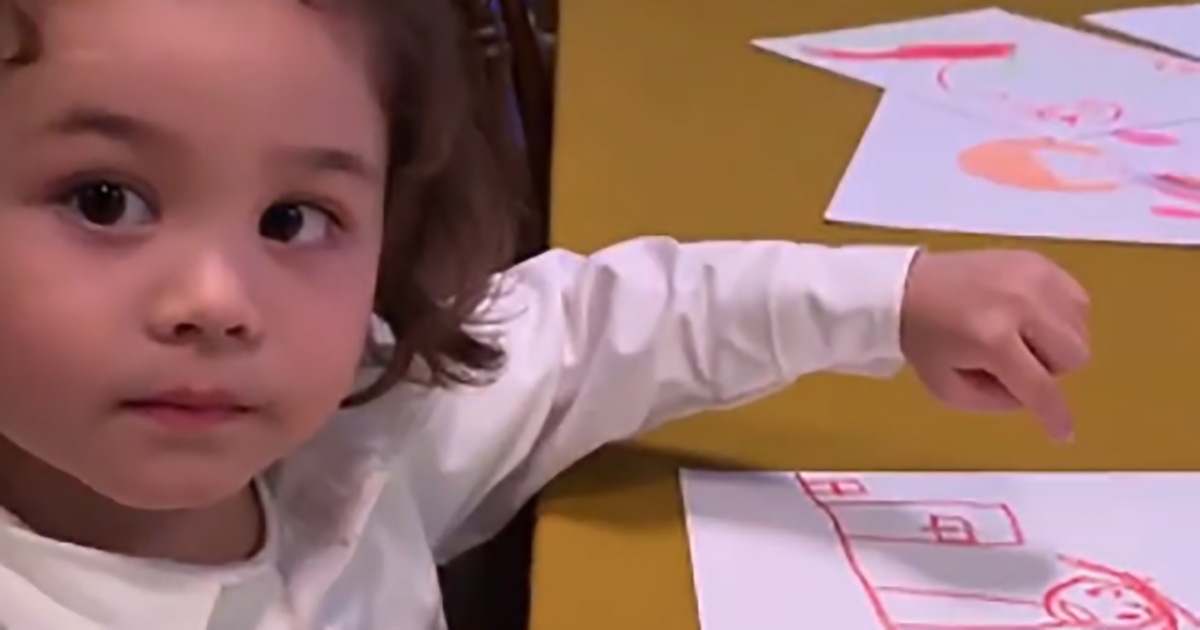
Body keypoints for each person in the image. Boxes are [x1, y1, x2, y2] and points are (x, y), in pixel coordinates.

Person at [0, 0, 1090, 628]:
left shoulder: (358, 431)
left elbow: (587, 332)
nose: (216, 302)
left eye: (294, 219)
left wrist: (891, 298)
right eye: (104, 201)